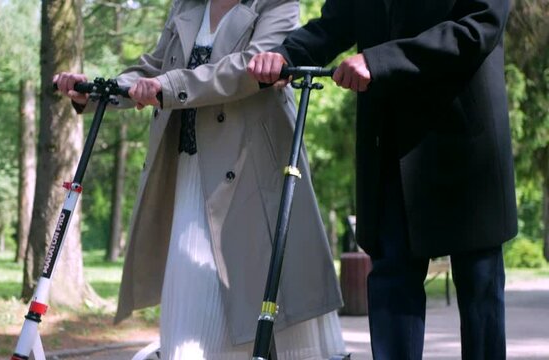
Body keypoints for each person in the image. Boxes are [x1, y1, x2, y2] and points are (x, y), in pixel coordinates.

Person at [54, 0, 349, 358]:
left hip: (251, 176)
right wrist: (100, 89)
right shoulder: (186, 5)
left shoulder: (277, 4)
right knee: (187, 319)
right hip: (189, 174)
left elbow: (247, 69)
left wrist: (168, 85)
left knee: (267, 320)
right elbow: (154, 67)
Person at [248, 0, 517, 359]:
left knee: (479, 292)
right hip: (389, 151)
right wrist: (285, 54)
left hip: (468, 148)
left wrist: (379, 61)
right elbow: (336, 23)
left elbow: (479, 26)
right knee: (392, 285)